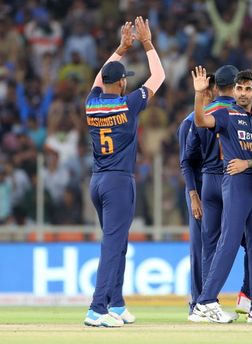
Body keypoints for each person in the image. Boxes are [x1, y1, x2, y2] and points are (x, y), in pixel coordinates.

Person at [84, 17, 165, 327]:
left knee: (117, 242)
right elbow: (158, 75)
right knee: (113, 245)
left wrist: (120, 49)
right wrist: (146, 43)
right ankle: (97, 309)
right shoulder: (128, 105)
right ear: (120, 83)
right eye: (125, 80)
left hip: (97, 181)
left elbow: (97, 78)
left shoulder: (91, 104)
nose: (127, 83)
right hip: (119, 182)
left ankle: (115, 303)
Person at [191, 67, 252, 323]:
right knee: (229, 242)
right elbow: (201, 121)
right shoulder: (225, 112)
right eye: (239, 88)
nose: (242, 92)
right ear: (235, 90)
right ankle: (205, 302)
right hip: (236, 183)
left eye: (247, 88)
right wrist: (199, 95)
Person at [183, 65, 251, 318]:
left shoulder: (196, 118)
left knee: (209, 245)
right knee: (250, 240)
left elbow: (187, 159)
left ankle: (202, 304)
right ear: (235, 87)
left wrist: (194, 193)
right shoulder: (241, 114)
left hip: (208, 182)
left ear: (213, 87)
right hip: (233, 179)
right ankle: (245, 296)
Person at [177, 72, 215, 322]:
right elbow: (185, 164)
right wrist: (193, 196)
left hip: (224, 187)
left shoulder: (224, 118)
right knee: (200, 248)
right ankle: (198, 302)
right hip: (200, 190)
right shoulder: (189, 123)